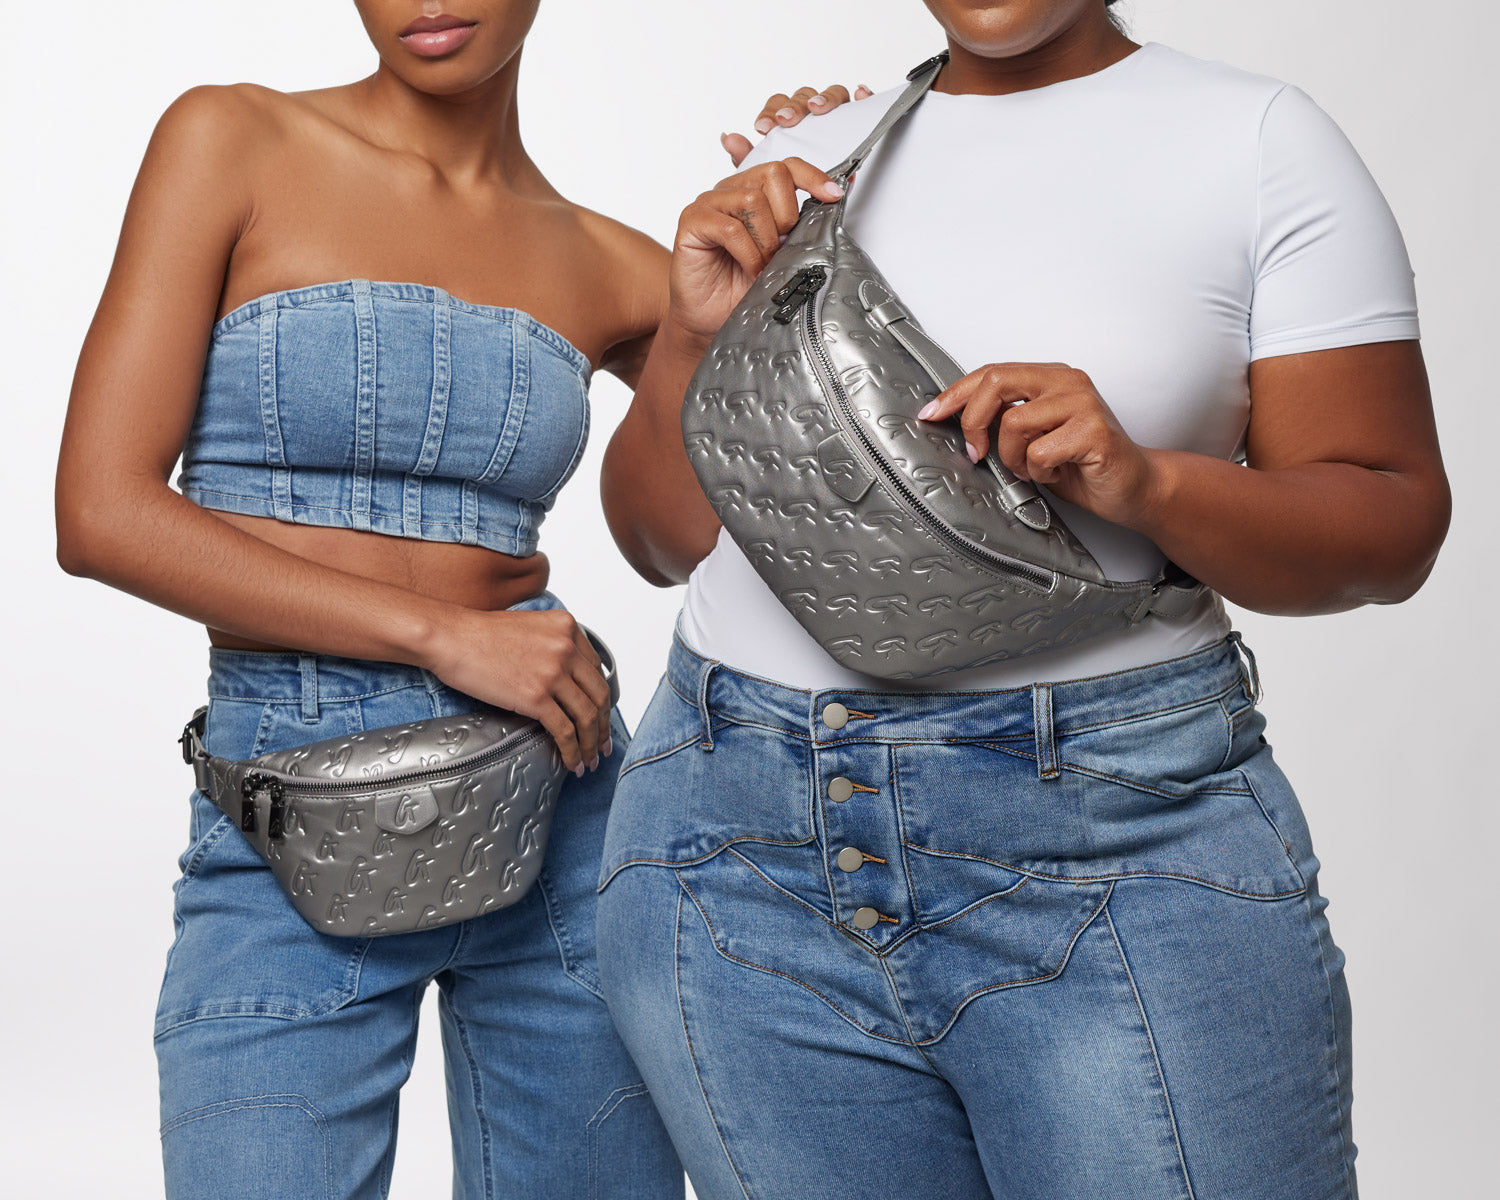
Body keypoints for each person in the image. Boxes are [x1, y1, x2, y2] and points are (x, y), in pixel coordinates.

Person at [596, 2, 1451, 1198]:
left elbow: (1391, 526)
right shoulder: (822, 153)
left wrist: (1146, 484)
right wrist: (691, 339)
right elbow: (659, 536)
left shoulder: (1257, 141)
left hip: (1112, 842)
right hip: (731, 839)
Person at [53, 2, 849, 1195]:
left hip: (560, 810)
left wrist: (846, 199)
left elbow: (684, 535)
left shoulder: (611, 260)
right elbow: (101, 515)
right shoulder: (231, 142)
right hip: (287, 810)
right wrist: (445, 636)